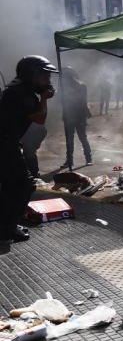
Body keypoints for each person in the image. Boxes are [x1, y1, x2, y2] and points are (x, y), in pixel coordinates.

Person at [0, 56, 57, 244]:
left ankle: (6, 226)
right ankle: (6, 230)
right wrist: (45, 99)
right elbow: (40, 118)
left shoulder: (18, 89)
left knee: (10, 186)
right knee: (23, 186)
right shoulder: (23, 93)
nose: (48, 81)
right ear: (30, 74)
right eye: (44, 76)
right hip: (5, 143)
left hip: (7, 142)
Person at [60, 67, 92, 169]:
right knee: (80, 137)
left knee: (76, 138)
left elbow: (81, 101)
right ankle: (85, 159)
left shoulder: (79, 86)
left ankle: (80, 159)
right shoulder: (81, 85)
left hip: (75, 114)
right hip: (75, 115)